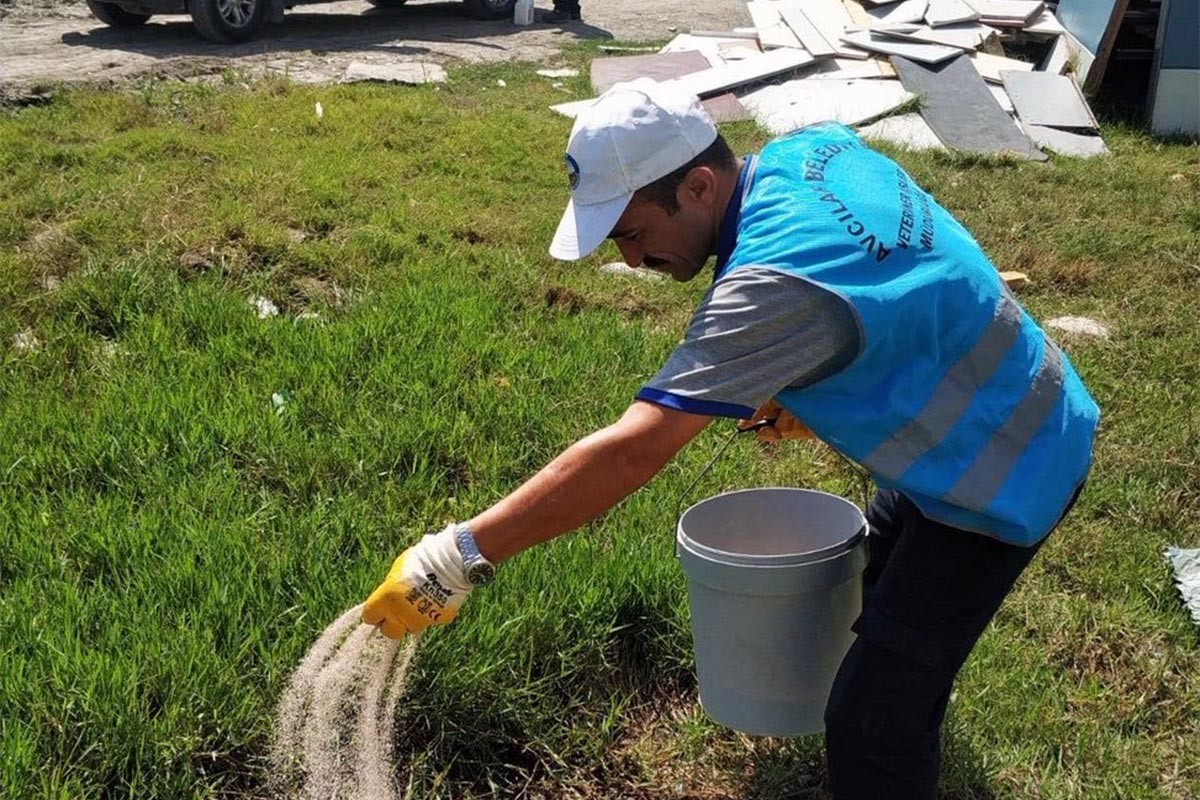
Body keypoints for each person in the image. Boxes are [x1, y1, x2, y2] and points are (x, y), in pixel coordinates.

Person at [362, 78, 1099, 798]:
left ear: (700, 189)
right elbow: (899, 267)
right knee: (869, 595)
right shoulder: (807, 152)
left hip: (1002, 475)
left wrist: (458, 555)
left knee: (876, 720)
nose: (630, 262)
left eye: (634, 233)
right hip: (1017, 399)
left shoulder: (768, 286)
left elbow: (634, 447)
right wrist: (811, 369)